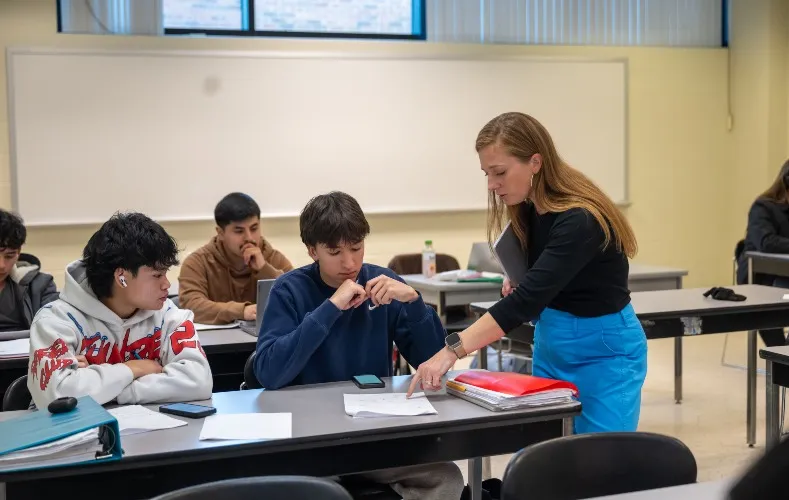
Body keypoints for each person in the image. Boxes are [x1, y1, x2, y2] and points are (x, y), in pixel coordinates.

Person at [409, 112, 648, 435]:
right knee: (543, 459)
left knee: (602, 463)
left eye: (500, 173)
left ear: (535, 162)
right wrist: (525, 277)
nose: (492, 186)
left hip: (604, 353)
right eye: (487, 174)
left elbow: (523, 303)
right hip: (553, 341)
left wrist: (451, 350)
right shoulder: (530, 207)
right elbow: (540, 285)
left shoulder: (580, 220)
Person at [253, 191, 464, 500]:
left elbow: (433, 364)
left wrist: (415, 303)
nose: (349, 262)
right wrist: (330, 308)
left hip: (373, 435)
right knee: (316, 491)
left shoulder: (382, 282)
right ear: (312, 250)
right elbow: (268, 372)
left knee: (446, 477)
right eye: (335, 252)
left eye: (356, 248)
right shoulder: (289, 289)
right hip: (312, 440)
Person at [28, 212, 213, 410]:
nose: (167, 284)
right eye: (157, 275)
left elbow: (199, 381)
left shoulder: (169, 315)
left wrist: (106, 388)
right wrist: (132, 369)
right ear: (121, 277)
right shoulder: (56, 320)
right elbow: (58, 396)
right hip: (76, 436)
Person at [179, 192, 293, 325]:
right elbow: (191, 305)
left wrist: (264, 269)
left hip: (264, 342)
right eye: (239, 231)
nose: (249, 237)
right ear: (221, 233)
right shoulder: (197, 262)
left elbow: (296, 297)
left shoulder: (273, 258)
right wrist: (241, 311)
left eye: (254, 228)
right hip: (217, 343)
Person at [737, 156, 789, 346]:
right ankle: (783, 357)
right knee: (771, 304)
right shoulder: (763, 207)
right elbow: (766, 242)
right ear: (788, 181)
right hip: (762, 278)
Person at [0, 209, 58, 331]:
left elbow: (56, 327)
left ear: (19, 252)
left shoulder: (40, 286)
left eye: (9, 256)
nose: (2, 265)